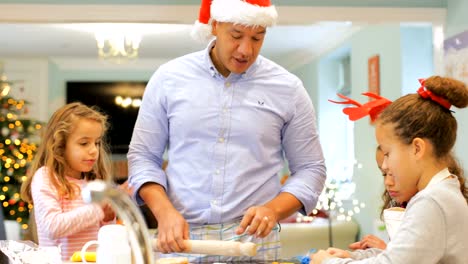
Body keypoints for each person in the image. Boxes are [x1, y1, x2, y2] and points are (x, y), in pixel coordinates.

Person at [127, 0, 326, 261]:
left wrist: (273, 210)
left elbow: (312, 168)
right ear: (214, 25)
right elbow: (143, 157)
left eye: (257, 37)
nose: (246, 49)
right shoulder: (168, 79)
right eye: (236, 35)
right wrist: (164, 212)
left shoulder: (288, 88)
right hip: (182, 239)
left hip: (255, 242)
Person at [310, 76, 468, 264]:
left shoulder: (432, 201)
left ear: (417, 148)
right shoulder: (443, 193)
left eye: (387, 153)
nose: (384, 165)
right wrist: (353, 256)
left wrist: (327, 262)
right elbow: (399, 256)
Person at [20, 102, 116, 260]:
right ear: (60, 145)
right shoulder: (45, 177)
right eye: (84, 143)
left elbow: (104, 237)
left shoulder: (94, 182)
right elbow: (53, 227)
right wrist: (98, 210)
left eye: (97, 142)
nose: (94, 150)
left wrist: (107, 217)